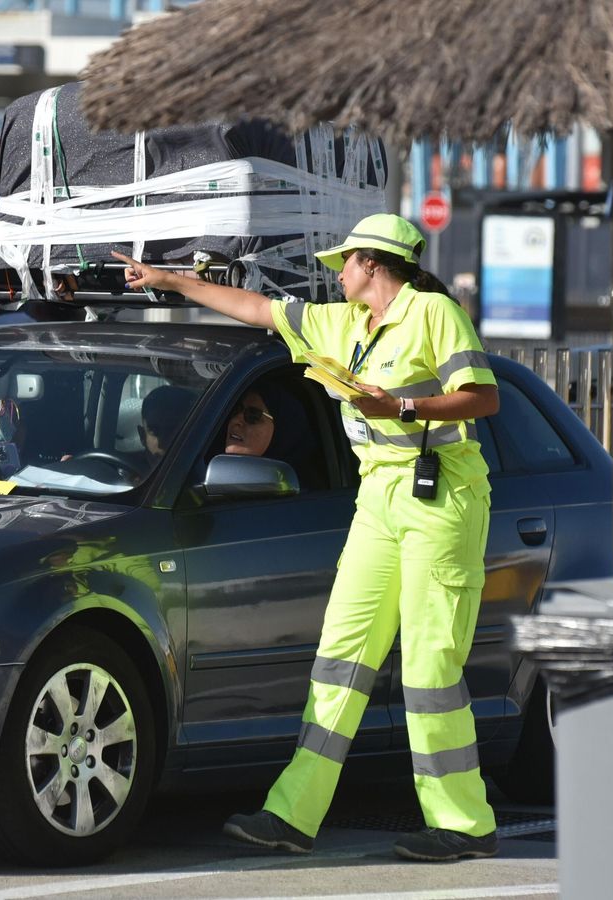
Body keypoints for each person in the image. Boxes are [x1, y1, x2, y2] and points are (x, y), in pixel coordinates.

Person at [114, 212, 501, 862]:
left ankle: (463, 823)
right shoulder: (343, 324)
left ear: (372, 264)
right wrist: (170, 281)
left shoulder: (434, 313)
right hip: (378, 498)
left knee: (431, 667)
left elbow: (482, 397)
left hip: (442, 501)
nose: (337, 274)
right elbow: (256, 308)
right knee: (340, 658)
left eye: (344, 263)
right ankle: (293, 814)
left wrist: (400, 406)